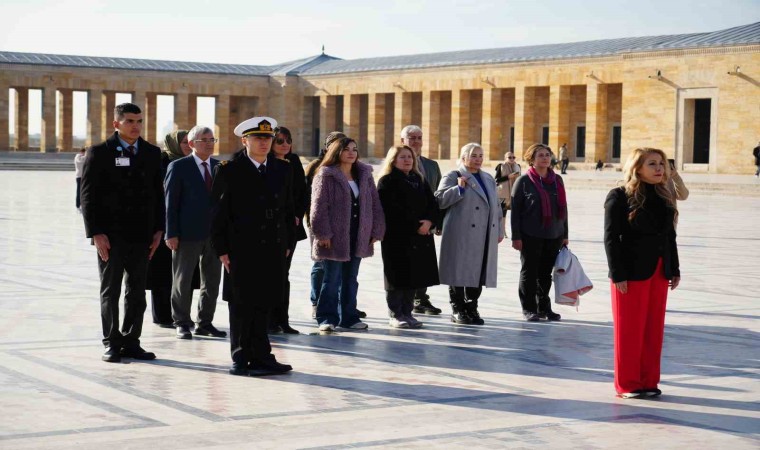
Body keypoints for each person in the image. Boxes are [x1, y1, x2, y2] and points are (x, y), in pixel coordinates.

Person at [211, 116, 294, 376]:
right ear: (244, 140)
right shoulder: (229, 170)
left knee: (265, 301)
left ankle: (262, 355)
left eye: (268, 138)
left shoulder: (281, 169)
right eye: (258, 138)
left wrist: (288, 242)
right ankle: (241, 356)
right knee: (241, 303)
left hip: (272, 247)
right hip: (241, 248)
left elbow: (287, 210)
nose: (264, 143)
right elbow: (218, 214)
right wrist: (222, 250)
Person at [80, 102, 163, 363]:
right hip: (111, 236)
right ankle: (111, 341)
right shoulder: (100, 152)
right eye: (129, 121)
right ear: (116, 124)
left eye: (139, 121)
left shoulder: (151, 152)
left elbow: (157, 195)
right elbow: (88, 196)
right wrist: (96, 233)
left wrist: (159, 228)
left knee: (137, 292)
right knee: (111, 290)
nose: (135, 126)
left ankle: (131, 340)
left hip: (142, 235)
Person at [604, 147, 681, 399]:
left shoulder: (663, 196)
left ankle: (648, 380)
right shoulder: (619, 196)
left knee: (652, 330)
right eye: (652, 164)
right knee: (630, 331)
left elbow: (669, 236)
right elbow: (611, 238)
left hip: (659, 271)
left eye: (661, 164)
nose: (660, 168)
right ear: (637, 168)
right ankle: (627, 384)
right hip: (630, 272)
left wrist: (675, 268)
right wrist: (617, 274)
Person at [310, 137, 385, 332]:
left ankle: (349, 317)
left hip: (358, 233)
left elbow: (375, 204)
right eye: (346, 149)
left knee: (351, 278)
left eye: (354, 149)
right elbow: (318, 207)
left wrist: (376, 229)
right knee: (331, 278)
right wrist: (323, 233)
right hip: (334, 235)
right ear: (337, 152)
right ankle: (326, 317)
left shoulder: (364, 174)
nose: (351, 152)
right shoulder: (326, 175)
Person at [164, 126, 226, 340]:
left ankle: (205, 322)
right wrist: (170, 233)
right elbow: (170, 203)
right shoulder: (179, 167)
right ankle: (181, 321)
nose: (210, 143)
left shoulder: (220, 167)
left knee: (212, 280)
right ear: (191, 144)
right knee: (183, 279)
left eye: (212, 139)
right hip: (186, 233)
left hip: (214, 235)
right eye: (204, 139)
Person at [435, 143, 503, 325]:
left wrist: (500, 229)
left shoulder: (488, 178)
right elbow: (439, 200)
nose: (478, 159)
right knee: (459, 269)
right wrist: (458, 189)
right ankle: (457, 308)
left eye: (480, 155)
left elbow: (496, 206)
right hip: (460, 232)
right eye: (473, 156)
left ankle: (472, 307)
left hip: (484, 232)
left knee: (478, 270)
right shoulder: (453, 175)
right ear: (463, 157)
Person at [377, 146, 440, 328]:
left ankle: (408, 311)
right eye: (403, 157)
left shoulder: (419, 179)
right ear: (393, 160)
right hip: (397, 236)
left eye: (410, 157)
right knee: (397, 276)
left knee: (414, 275)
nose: (407, 160)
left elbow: (432, 203)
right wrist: (416, 226)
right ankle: (396, 313)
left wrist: (429, 222)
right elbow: (390, 210)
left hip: (420, 236)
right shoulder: (387, 181)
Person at [511, 144, 569, 322]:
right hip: (530, 235)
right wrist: (516, 237)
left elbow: (564, 208)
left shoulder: (557, 180)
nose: (545, 158)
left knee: (545, 274)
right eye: (540, 155)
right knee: (530, 273)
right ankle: (529, 308)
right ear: (532, 159)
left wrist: (565, 234)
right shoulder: (524, 181)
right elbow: (515, 212)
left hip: (554, 234)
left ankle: (544, 307)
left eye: (547, 155)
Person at [146, 130, 195, 329]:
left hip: (187, 227)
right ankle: (163, 315)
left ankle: (182, 314)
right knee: (163, 273)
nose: (187, 145)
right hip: (163, 226)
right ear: (174, 143)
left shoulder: (192, 163)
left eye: (189, 142)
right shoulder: (161, 162)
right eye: (183, 142)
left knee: (185, 274)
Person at [400, 125, 443, 316]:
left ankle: (420, 298)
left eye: (419, 137)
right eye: (411, 138)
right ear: (403, 141)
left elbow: (439, 196)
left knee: (424, 262)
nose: (416, 141)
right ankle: (405, 300)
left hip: (427, 222)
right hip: (405, 223)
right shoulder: (396, 164)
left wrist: (437, 222)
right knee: (405, 262)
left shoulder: (432, 166)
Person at [267, 125, 306, 334]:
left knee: (284, 274)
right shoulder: (266, 162)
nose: (285, 145)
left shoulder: (295, 161)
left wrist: (298, 215)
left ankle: (282, 319)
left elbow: (302, 192)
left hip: (290, 227)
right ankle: (269, 320)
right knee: (270, 274)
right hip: (270, 226)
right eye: (280, 141)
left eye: (288, 140)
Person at [305, 131, 347, 319]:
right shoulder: (316, 166)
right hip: (319, 223)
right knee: (320, 264)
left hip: (341, 224)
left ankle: (336, 302)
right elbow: (308, 197)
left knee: (339, 264)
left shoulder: (347, 167)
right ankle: (316, 301)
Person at [494, 151, 521, 231]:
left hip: (514, 192)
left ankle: (514, 231)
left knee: (515, 213)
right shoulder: (501, 166)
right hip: (503, 193)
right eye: (510, 157)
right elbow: (496, 180)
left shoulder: (517, 166)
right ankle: (502, 230)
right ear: (505, 158)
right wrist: (508, 177)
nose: (512, 159)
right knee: (503, 213)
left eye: (513, 157)